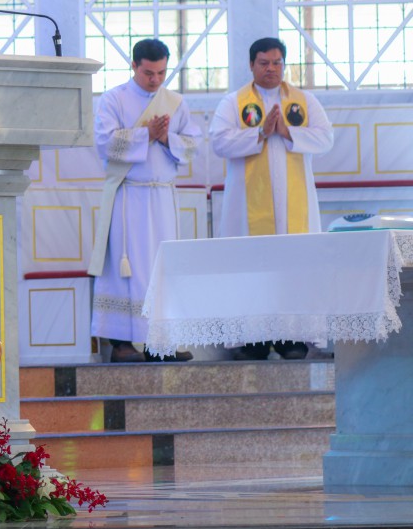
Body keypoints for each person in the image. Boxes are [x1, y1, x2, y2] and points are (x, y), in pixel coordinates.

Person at [210, 36, 334, 360]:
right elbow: (219, 142)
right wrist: (261, 132)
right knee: (253, 268)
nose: (271, 69)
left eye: (277, 62)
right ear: (251, 65)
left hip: (295, 206)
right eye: (264, 63)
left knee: (294, 266)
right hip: (247, 209)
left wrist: (288, 132)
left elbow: (326, 138)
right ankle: (253, 340)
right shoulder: (233, 103)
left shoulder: (303, 101)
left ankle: (291, 338)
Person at [88, 39, 200, 363]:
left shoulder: (175, 103)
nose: (155, 80)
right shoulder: (114, 99)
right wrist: (146, 134)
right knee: (126, 269)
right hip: (129, 197)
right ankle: (122, 343)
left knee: (160, 269)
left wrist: (165, 138)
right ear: (134, 66)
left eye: (161, 73)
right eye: (149, 73)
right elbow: (105, 144)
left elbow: (192, 146)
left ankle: (160, 343)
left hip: (161, 196)